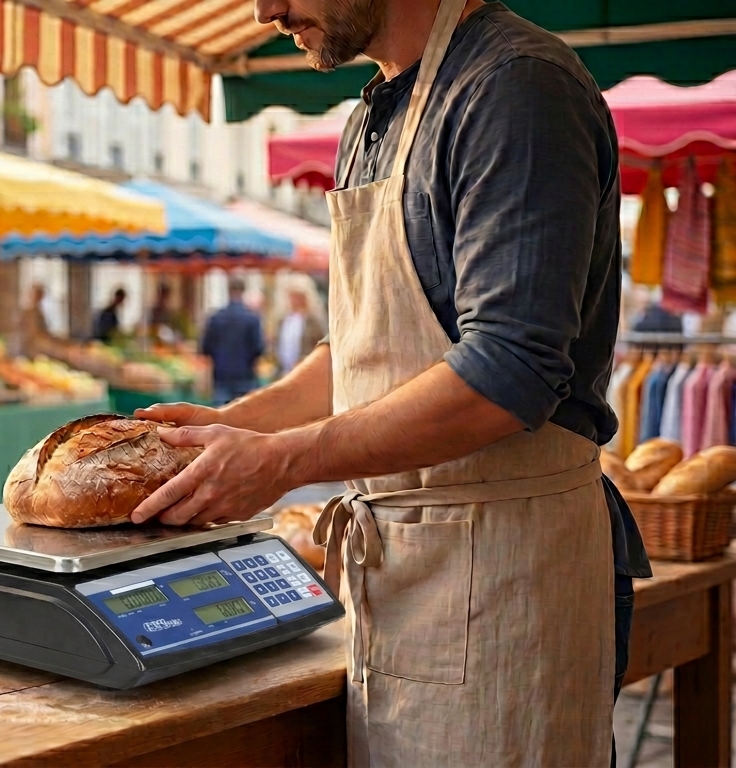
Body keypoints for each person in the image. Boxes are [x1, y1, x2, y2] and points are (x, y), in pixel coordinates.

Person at [132, 0, 649, 765]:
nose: (265, 10)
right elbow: (365, 344)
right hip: (402, 578)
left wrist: (284, 461)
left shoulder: (516, 88)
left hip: (510, 575)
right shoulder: (372, 112)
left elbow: (508, 368)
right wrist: (234, 428)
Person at [200, 278, 265, 406]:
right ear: (243, 291)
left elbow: (206, 347)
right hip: (245, 376)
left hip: (221, 375)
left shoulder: (216, 318)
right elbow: (258, 348)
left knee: (220, 416)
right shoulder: (252, 319)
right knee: (242, 417)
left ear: (228, 291)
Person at [275, 289, 325, 373]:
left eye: (297, 298)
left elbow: (320, 343)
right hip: (284, 368)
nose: (293, 301)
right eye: (291, 298)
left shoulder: (312, 321)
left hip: (305, 366)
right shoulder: (284, 320)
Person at [20, 283, 51, 355]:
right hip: (31, 349)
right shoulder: (29, 312)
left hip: (38, 345)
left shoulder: (38, 311)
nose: (40, 298)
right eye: (37, 294)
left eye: (41, 295)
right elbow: (33, 333)